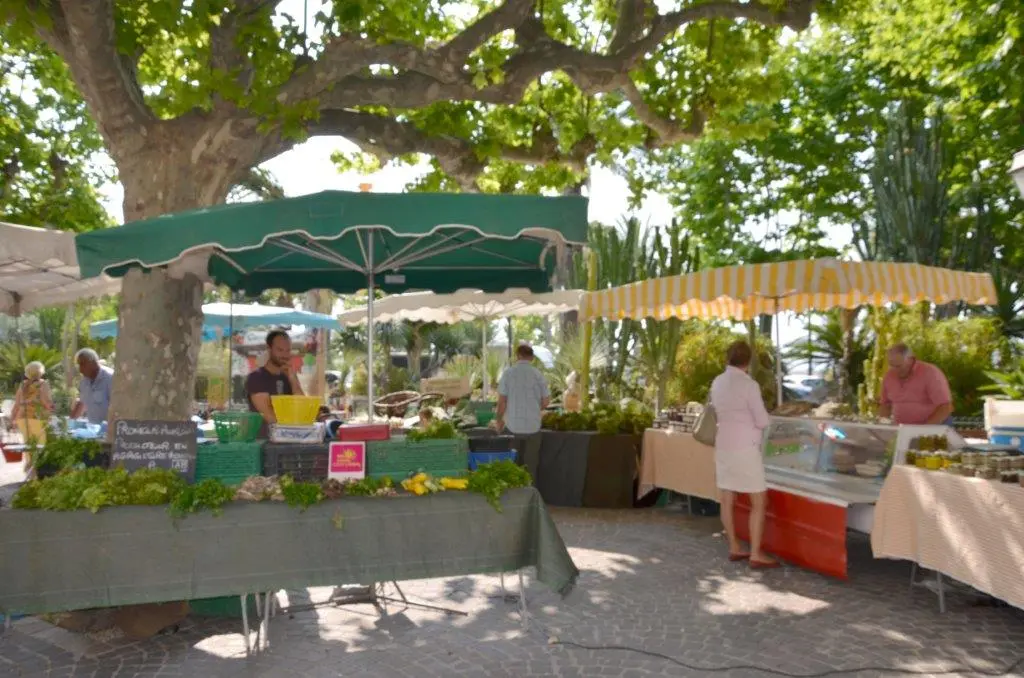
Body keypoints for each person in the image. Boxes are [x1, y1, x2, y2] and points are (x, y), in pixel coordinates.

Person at [709, 340, 778, 569]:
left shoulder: (717, 382)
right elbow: (761, 420)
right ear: (748, 362)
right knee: (759, 499)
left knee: (726, 497)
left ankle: (734, 546)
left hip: (724, 445)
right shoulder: (749, 385)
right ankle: (756, 553)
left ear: (727, 358)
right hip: (746, 448)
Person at [495, 343, 550, 473]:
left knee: (512, 466)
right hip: (534, 426)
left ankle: (513, 493)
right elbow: (546, 402)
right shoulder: (538, 375)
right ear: (532, 358)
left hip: (512, 425)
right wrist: (535, 408)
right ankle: (531, 492)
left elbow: (502, 401)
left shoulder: (508, 373)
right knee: (531, 466)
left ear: (517, 356)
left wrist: (499, 421)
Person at [246, 330, 304, 436]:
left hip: (288, 439)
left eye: (288, 350)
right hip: (263, 443)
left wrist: (293, 379)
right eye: (280, 350)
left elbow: (302, 409)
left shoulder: (289, 377)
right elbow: (269, 416)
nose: (285, 355)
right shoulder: (256, 377)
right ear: (269, 349)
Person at [879, 343, 953, 425]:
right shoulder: (889, 376)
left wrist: (923, 430)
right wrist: (883, 425)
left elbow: (945, 407)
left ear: (910, 359)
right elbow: (885, 405)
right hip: (903, 428)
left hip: (934, 426)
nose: (895, 370)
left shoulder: (930, 372)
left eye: (898, 366)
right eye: (891, 365)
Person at [10, 361, 54, 470]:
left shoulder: (23, 385)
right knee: (39, 447)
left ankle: (30, 470)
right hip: (38, 418)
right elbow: (45, 402)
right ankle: (36, 472)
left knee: (28, 446)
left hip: (23, 419)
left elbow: (16, 404)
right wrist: (52, 409)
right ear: (41, 372)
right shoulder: (43, 384)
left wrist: (12, 420)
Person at [70, 348, 113, 424]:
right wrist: (70, 423)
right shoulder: (84, 382)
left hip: (110, 430)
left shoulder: (110, 378)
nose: (80, 369)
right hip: (93, 430)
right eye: (79, 365)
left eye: (82, 364)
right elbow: (81, 403)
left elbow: (119, 407)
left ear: (93, 362)